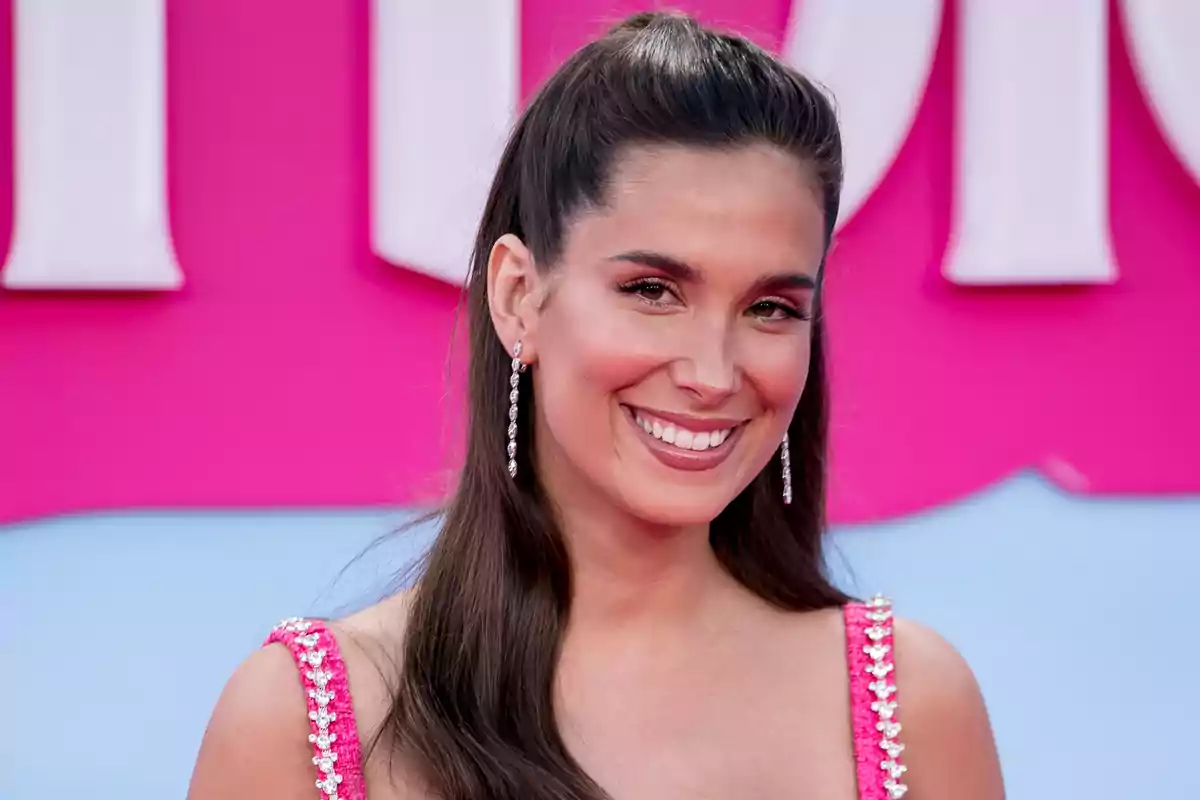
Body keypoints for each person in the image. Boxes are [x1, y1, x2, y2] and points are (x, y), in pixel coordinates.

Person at [188, 11, 1004, 800]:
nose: (714, 373)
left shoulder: (912, 706)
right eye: (652, 291)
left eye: (770, 308)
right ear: (517, 297)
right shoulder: (309, 724)